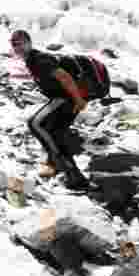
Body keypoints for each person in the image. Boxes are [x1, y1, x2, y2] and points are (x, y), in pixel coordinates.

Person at [9, 30, 91, 190]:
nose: (16, 47)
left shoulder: (38, 60)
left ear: (28, 43)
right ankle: (71, 175)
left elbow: (64, 77)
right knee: (53, 131)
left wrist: (78, 99)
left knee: (36, 124)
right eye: (13, 44)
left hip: (68, 99)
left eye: (19, 43)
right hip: (64, 99)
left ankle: (61, 166)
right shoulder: (32, 61)